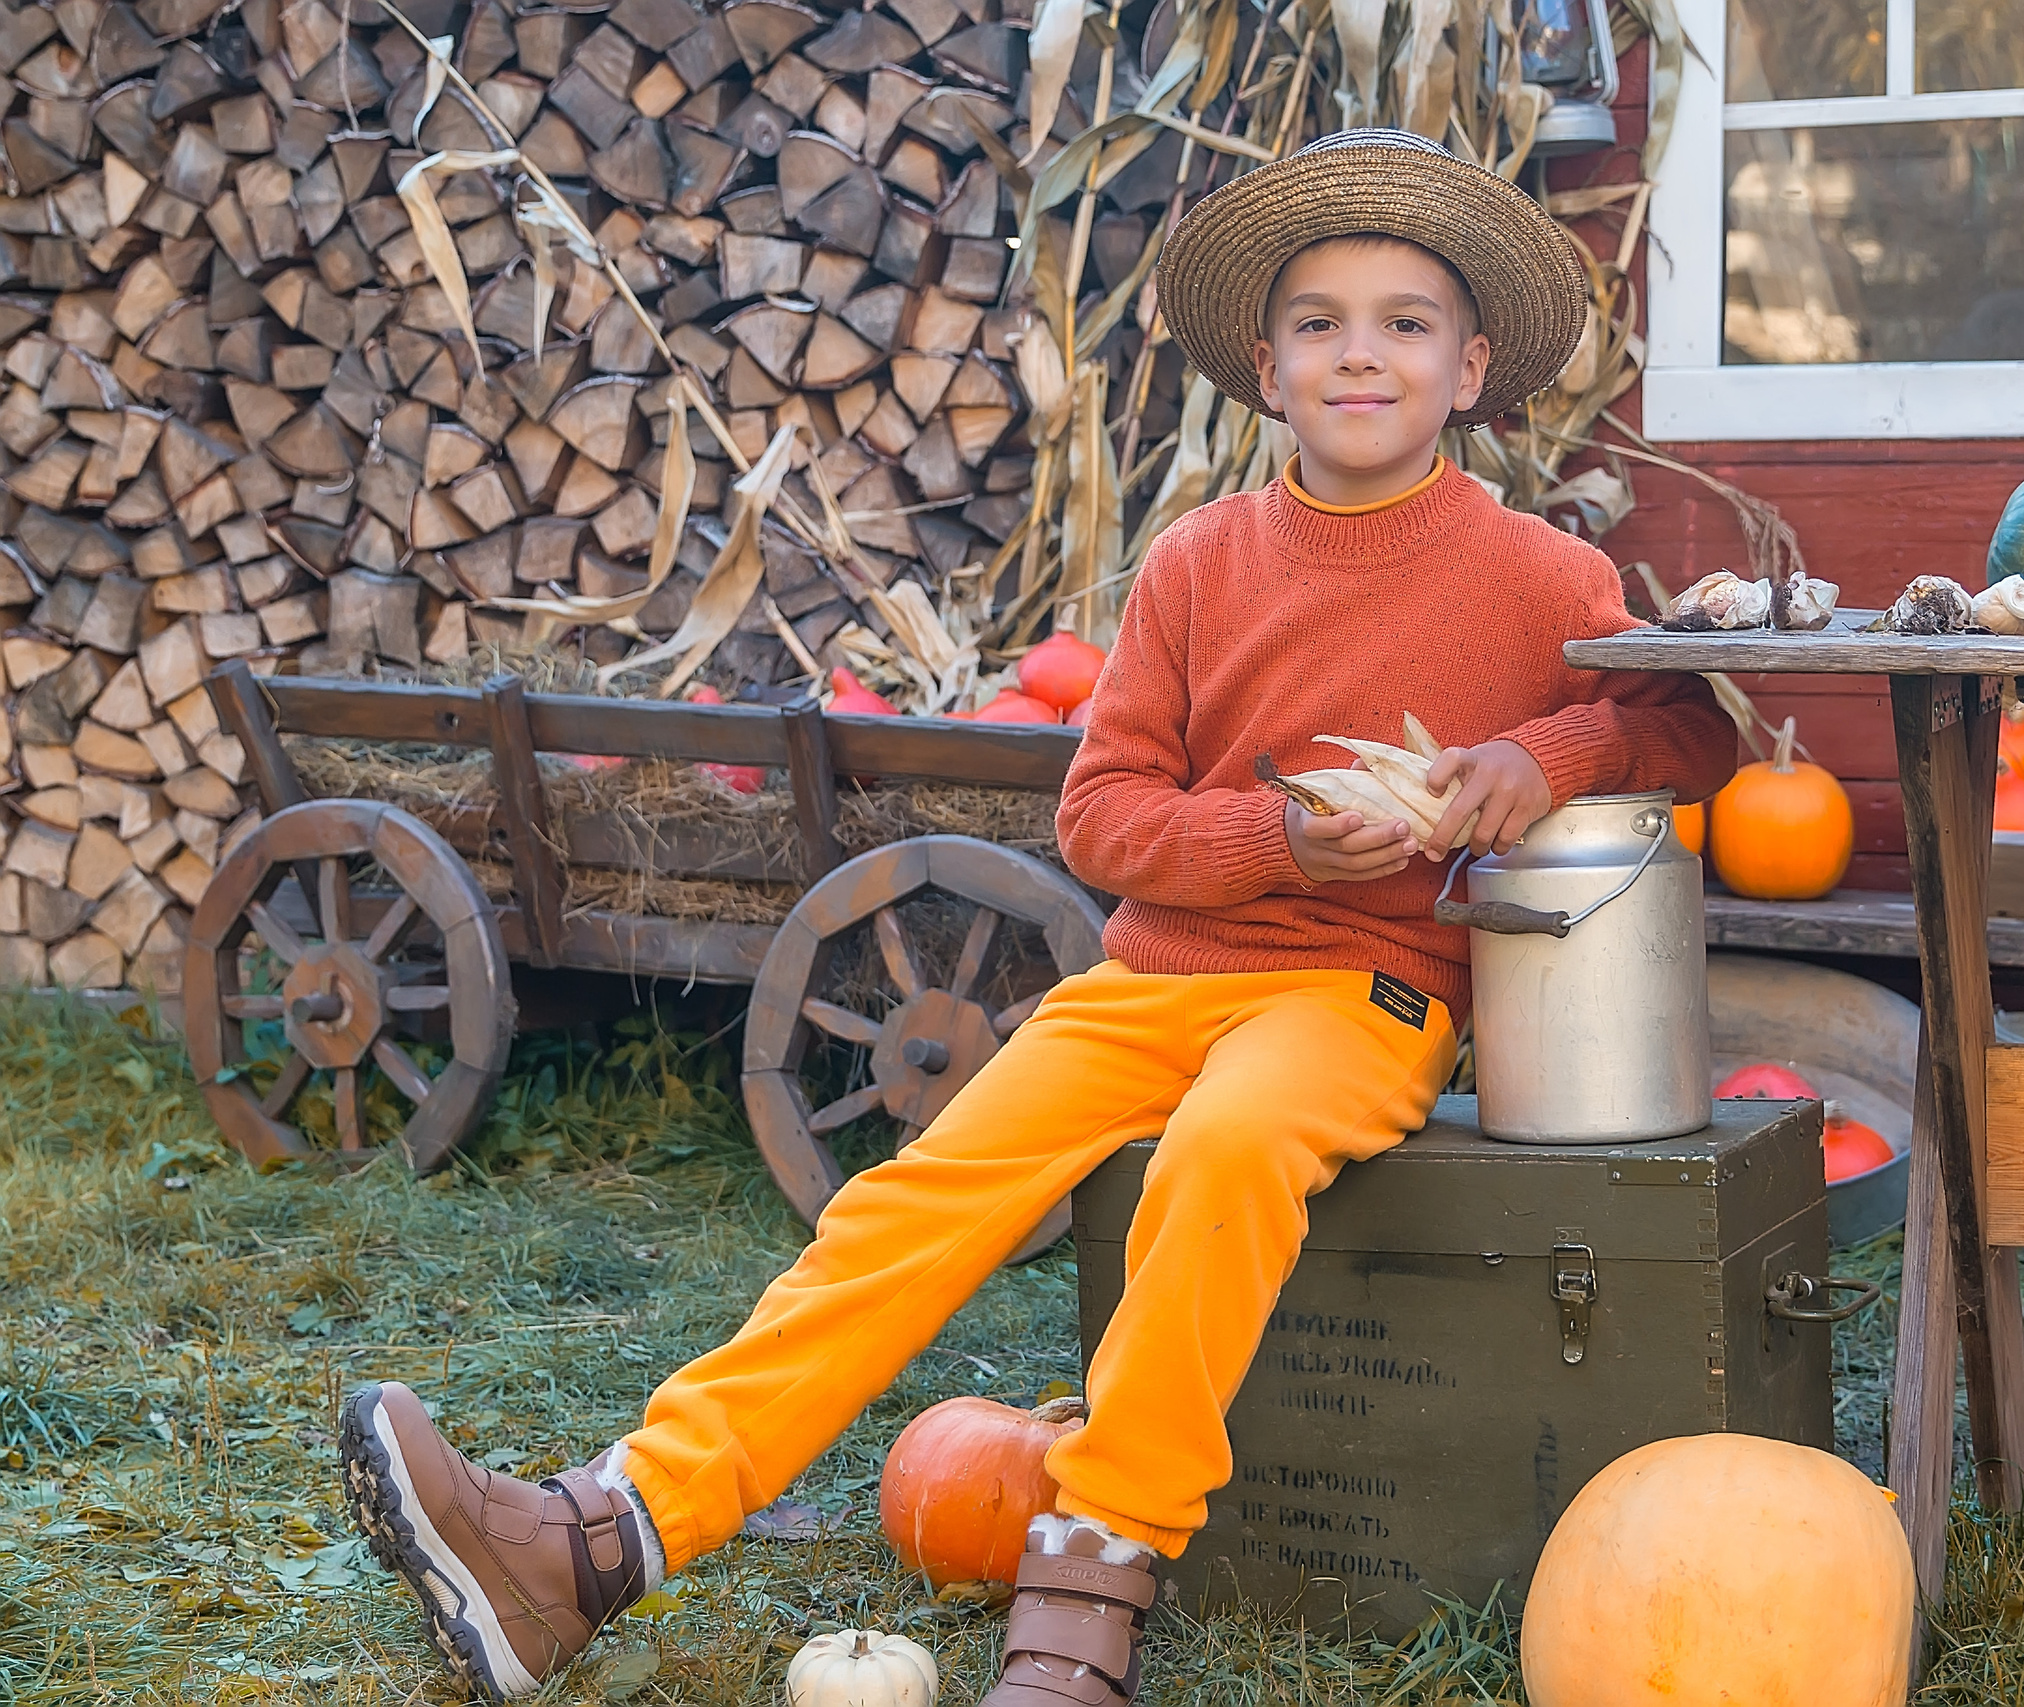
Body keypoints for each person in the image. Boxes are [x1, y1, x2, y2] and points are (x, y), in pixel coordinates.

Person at [338, 128, 1731, 1704]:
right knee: (912, 1201)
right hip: (1149, 984)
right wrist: (1279, 836)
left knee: (1225, 1154)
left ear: (1469, 367)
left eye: (1406, 323)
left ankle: (1089, 1587)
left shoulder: (1543, 576)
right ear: (1265, 370)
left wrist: (1525, 758)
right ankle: (600, 1539)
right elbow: (1104, 817)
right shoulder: (1199, 566)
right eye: (1321, 322)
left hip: (1366, 998)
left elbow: (1693, 735)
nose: (1363, 353)